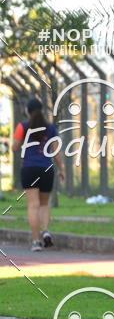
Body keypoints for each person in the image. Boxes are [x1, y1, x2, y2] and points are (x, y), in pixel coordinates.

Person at [12, 97, 65, 251]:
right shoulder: (50, 128)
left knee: (32, 205)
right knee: (43, 204)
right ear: (41, 110)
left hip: (29, 168)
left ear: (28, 111)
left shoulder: (22, 126)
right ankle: (46, 231)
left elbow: (15, 147)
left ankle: (36, 242)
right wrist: (62, 169)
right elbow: (56, 152)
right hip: (46, 169)